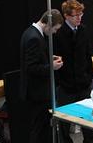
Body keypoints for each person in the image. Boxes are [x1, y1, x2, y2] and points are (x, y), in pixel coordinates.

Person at [19, 9, 64, 143]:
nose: (55, 32)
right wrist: (52, 66)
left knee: (41, 128)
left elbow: (35, 59)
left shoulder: (30, 32)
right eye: (55, 29)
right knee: (39, 129)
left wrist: (49, 58)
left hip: (35, 91)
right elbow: (31, 68)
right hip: (37, 93)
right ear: (48, 25)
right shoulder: (34, 38)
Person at [53, 0, 93, 143]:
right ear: (66, 16)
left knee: (89, 122)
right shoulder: (58, 33)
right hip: (66, 86)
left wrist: (89, 76)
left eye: (80, 14)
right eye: (75, 15)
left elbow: (87, 55)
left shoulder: (83, 30)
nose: (79, 17)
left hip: (83, 83)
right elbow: (56, 59)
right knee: (64, 124)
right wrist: (62, 82)